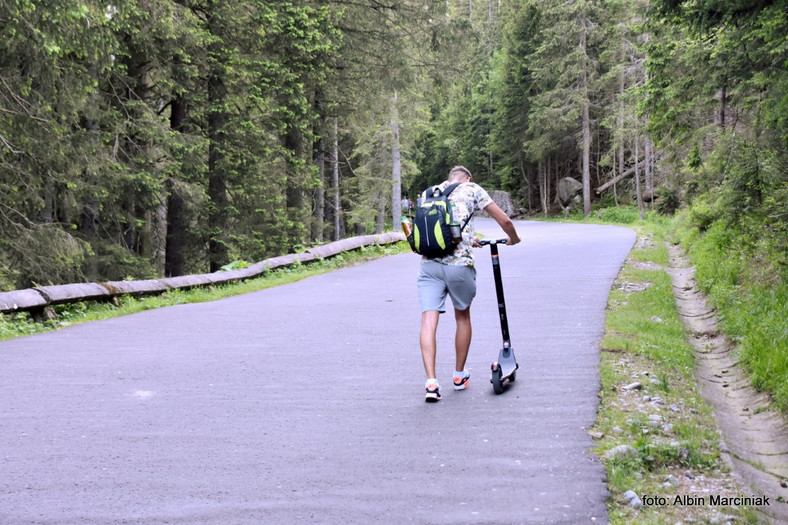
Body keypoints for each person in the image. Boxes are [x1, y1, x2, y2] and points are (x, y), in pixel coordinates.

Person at [417, 165, 520, 402]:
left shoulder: (430, 193)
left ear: (449, 178)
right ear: (468, 178)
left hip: (429, 266)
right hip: (458, 267)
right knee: (462, 316)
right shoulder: (472, 189)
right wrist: (514, 239)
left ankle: (431, 383)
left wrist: (467, 239)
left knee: (428, 320)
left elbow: (437, 229)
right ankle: (459, 375)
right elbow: (504, 220)